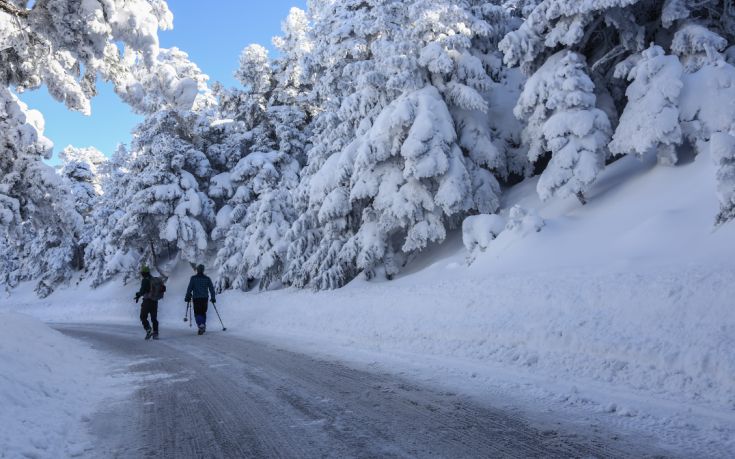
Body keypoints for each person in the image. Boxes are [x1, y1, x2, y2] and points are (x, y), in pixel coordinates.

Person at [185, 264, 216, 335]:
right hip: (205, 298)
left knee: (197, 313)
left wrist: (187, 296)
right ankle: (203, 325)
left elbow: (189, 288)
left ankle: (201, 325)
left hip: (196, 298)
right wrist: (213, 297)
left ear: (197, 270)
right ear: (203, 270)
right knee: (203, 312)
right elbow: (211, 289)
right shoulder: (207, 279)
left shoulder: (193, 278)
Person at [135, 265, 159, 340]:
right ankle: (156, 333)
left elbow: (142, 291)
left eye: (142, 273)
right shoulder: (153, 279)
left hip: (147, 301)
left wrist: (138, 295)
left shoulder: (145, 280)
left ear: (144, 273)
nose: (141, 274)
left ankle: (148, 329)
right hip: (155, 301)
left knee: (143, 316)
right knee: (154, 318)